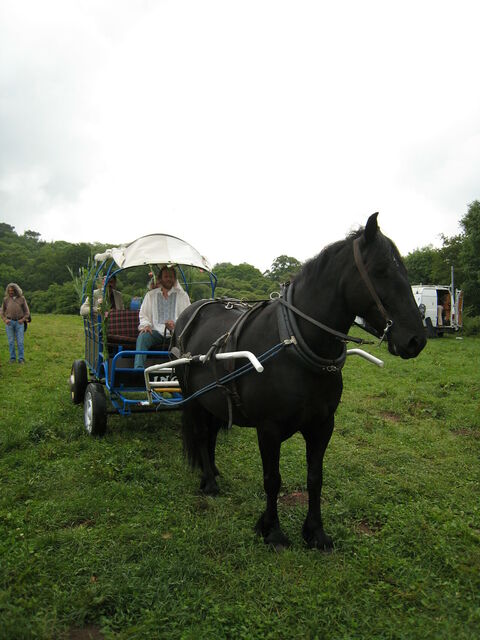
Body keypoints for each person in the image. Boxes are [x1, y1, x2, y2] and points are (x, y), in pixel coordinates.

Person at [134, 266, 190, 368]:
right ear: (160, 279)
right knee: (143, 337)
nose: (169, 279)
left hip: (176, 334)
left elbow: (187, 316)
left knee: (188, 340)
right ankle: (138, 369)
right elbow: (144, 314)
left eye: (171, 277)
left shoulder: (182, 295)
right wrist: (146, 325)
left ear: (174, 279)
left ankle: (184, 370)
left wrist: (176, 326)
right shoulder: (150, 295)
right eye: (166, 276)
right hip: (156, 332)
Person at [1, 282, 30, 364]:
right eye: (9, 290)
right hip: (9, 323)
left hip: (19, 323)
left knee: (20, 342)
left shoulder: (22, 299)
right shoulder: (6, 299)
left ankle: (21, 359)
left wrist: (23, 319)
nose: (11, 292)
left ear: (16, 290)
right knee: (11, 342)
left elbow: (27, 312)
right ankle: (12, 358)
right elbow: (2, 311)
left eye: (12, 290)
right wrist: (5, 320)